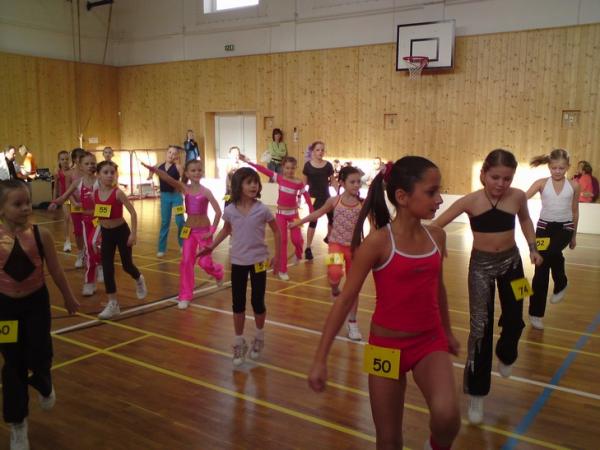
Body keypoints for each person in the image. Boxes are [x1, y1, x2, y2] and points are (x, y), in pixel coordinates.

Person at [308, 157, 460, 450]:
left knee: (448, 417)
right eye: (432, 192)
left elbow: (438, 288)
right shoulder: (377, 242)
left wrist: (448, 331)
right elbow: (344, 300)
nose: (439, 199)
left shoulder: (437, 237)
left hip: (430, 342)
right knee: (388, 441)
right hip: (386, 347)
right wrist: (320, 358)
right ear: (402, 196)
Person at [432, 149, 543, 425]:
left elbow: (525, 220)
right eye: (495, 177)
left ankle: (507, 353)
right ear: (483, 174)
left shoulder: (518, 197)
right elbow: (436, 225)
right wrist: (433, 243)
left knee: (517, 316)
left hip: (513, 263)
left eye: (507, 178)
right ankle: (476, 394)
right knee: (480, 328)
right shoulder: (470, 201)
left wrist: (533, 247)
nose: (501, 184)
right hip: (480, 267)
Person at [0, 180, 79, 450]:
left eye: (27, 202)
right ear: (2, 208)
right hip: (5, 308)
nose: (25, 208)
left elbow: (55, 270)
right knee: (13, 363)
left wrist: (68, 296)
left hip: (35, 303)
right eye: (17, 204)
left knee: (39, 353)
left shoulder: (40, 235)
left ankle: (44, 382)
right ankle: (18, 423)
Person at [199, 167, 280, 366]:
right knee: (238, 303)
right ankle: (238, 342)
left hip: (259, 261)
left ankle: (259, 337)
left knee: (258, 301)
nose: (254, 186)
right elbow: (226, 230)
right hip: (238, 261)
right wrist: (211, 246)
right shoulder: (230, 210)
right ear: (238, 185)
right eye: (248, 182)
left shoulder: (263, 209)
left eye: (256, 182)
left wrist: (278, 255)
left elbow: (277, 231)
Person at [290, 166, 363, 340]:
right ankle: (335, 289)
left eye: (358, 182)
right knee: (334, 274)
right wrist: (299, 221)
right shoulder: (334, 201)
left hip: (355, 249)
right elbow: (317, 213)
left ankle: (352, 323)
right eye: (352, 182)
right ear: (342, 183)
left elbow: (374, 224)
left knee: (353, 288)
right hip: (335, 245)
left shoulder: (362, 203)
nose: (356, 185)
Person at [143, 159, 224, 309]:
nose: (197, 173)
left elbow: (218, 212)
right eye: (193, 170)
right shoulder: (184, 188)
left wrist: (211, 231)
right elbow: (168, 178)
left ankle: (218, 272)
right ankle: (185, 295)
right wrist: (155, 170)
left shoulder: (206, 191)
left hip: (204, 232)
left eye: (199, 170)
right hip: (189, 231)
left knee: (205, 263)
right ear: (187, 173)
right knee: (186, 262)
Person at [525, 149, 579, 330]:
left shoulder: (574, 186)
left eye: (561, 168)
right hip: (543, 228)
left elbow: (575, 211)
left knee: (550, 253)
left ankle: (561, 282)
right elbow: (521, 198)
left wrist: (574, 236)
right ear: (549, 166)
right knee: (541, 268)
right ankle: (535, 314)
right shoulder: (541, 183)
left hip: (565, 228)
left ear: (568, 167)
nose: (557, 171)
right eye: (554, 168)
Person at [241, 154, 312, 281]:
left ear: (295, 168)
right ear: (283, 168)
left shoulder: (298, 183)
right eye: (287, 168)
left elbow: (306, 196)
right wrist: (248, 161)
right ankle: (283, 270)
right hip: (281, 215)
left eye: (292, 168)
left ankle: (298, 252)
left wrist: (312, 211)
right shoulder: (279, 178)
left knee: (297, 239)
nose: (289, 171)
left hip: (294, 215)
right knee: (282, 242)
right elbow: (262, 169)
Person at [93, 161, 147, 319]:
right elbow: (99, 216)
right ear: (98, 175)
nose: (110, 175)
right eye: (106, 172)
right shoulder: (95, 193)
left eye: (112, 172)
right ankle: (113, 304)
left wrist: (133, 234)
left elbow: (133, 213)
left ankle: (139, 278)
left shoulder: (117, 193)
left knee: (127, 265)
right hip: (106, 234)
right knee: (107, 268)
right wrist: (96, 237)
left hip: (121, 232)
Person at [50, 151, 102, 296]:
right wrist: (54, 202)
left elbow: (110, 199)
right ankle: (89, 283)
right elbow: (64, 197)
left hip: (99, 220)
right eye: (87, 163)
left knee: (93, 244)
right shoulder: (77, 183)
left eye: (93, 163)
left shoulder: (100, 181)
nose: (90, 166)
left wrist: (100, 212)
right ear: (80, 165)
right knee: (89, 251)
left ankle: (101, 265)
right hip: (86, 221)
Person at [147, 146, 185, 257]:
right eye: (170, 152)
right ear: (166, 153)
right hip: (165, 197)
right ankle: (161, 248)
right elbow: (152, 169)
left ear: (176, 156)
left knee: (180, 221)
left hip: (177, 197)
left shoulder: (178, 167)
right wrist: (150, 176)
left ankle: (183, 245)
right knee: (165, 222)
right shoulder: (159, 165)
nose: (171, 155)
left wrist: (182, 187)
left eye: (174, 154)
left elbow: (184, 180)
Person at [302, 141, 334, 259]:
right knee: (313, 221)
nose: (320, 152)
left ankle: (329, 238)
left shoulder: (328, 165)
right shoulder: (308, 166)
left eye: (322, 150)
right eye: (318, 150)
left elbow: (333, 181)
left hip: (327, 197)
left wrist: (340, 194)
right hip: (313, 199)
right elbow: (304, 183)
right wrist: (299, 197)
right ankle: (308, 248)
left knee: (332, 219)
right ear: (313, 151)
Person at [67, 148, 87, 269]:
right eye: (79, 156)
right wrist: (74, 203)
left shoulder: (89, 172)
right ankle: (80, 254)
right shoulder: (70, 173)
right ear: (74, 159)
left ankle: (90, 252)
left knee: (91, 229)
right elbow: (68, 191)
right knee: (78, 231)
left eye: (83, 156)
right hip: (76, 206)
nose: (81, 159)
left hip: (89, 206)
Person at [53, 150, 73, 252]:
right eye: (62, 159)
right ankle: (67, 241)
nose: (65, 161)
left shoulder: (73, 171)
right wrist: (54, 201)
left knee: (77, 219)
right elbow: (55, 187)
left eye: (67, 159)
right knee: (66, 218)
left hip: (74, 198)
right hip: (65, 199)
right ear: (59, 161)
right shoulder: (57, 173)